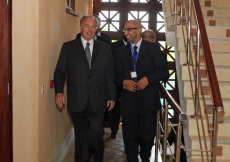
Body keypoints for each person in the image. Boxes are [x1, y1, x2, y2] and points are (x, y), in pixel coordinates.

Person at [54, 15, 116, 162]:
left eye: (93, 26)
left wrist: (111, 96)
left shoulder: (105, 48)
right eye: (87, 26)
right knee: (80, 135)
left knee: (95, 132)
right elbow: (59, 72)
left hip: (98, 99)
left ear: (97, 29)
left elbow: (110, 74)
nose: (90, 29)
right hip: (77, 99)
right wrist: (59, 92)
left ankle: (97, 157)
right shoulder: (68, 47)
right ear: (81, 27)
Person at [114, 20, 169, 162]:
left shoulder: (153, 48)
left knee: (146, 137)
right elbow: (114, 74)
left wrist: (148, 79)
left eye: (128, 29)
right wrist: (124, 82)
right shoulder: (120, 52)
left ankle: (145, 158)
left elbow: (163, 71)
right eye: (124, 30)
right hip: (129, 102)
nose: (125, 32)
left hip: (148, 101)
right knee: (129, 138)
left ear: (138, 30)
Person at [109, 30, 128, 139]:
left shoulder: (134, 46)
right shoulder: (114, 46)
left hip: (130, 86)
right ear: (122, 33)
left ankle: (127, 135)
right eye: (125, 30)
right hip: (116, 85)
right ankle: (114, 130)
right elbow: (111, 66)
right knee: (115, 112)